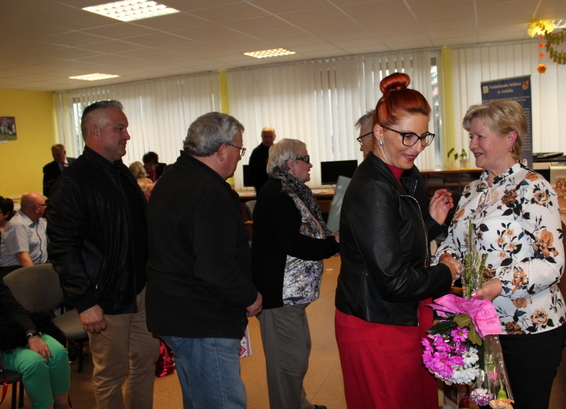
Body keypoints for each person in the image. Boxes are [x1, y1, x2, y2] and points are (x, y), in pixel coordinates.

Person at [334, 72, 461, 409]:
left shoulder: (396, 177)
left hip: (399, 315)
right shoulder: (374, 187)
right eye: (407, 136)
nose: (417, 147)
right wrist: (446, 273)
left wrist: (430, 224)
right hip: (378, 324)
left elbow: (396, 245)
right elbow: (393, 279)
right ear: (379, 132)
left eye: (423, 137)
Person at [434, 99, 566, 409]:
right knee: (489, 404)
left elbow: (551, 263)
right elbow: (454, 242)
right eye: (471, 136)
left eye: (480, 136)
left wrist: (500, 284)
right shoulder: (472, 190)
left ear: (510, 139)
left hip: (528, 328)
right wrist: (445, 260)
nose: (472, 144)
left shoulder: (533, 187)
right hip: (479, 325)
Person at [46, 100, 158, 409]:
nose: (127, 135)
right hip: (105, 298)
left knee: (145, 362)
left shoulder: (122, 173)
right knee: (112, 374)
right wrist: (84, 301)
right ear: (95, 132)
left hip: (139, 292)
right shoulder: (73, 182)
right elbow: (62, 248)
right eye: (120, 128)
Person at [146, 111, 262, 409]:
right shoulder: (210, 191)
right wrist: (249, 297)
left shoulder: (172, 178)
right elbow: (215, 268)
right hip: (202, 318)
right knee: (221, 402)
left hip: (176, 312)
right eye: (239, 149)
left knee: (199, 399)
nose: (239, 157)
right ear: (222, 150)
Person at [251, 138, 339, 409]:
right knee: (287, 363)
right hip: (279, 293)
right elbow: (293, 243)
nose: (310, 164)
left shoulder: (290, 190)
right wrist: (332, 245)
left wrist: (329, 240)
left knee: (296, 355)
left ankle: (299, 404)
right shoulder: (279, 194)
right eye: (305, 159)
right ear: (290, 164)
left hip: (291, 295)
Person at [1, 279, 70, 409]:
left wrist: (31, 333)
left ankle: (63, 405)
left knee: (57, 352)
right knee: (34, 362)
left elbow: (11, 306)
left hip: (11, 328)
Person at [0, 192, 48, 278]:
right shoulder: (17, 225)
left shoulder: (39, 220)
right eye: (44, 205)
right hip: (15, 271)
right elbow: (23, 258)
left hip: (37, 266)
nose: (45, 208)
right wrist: (35, 278)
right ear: (37, 208)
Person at [248, 126, 276, 194]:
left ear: (274, 137)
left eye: (270, 136)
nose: (268, 139)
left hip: (276, 186)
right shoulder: (256, 152)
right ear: (262, 137)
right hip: (261, 187)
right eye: (265, 137)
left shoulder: (279, 151)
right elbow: (252, 172)